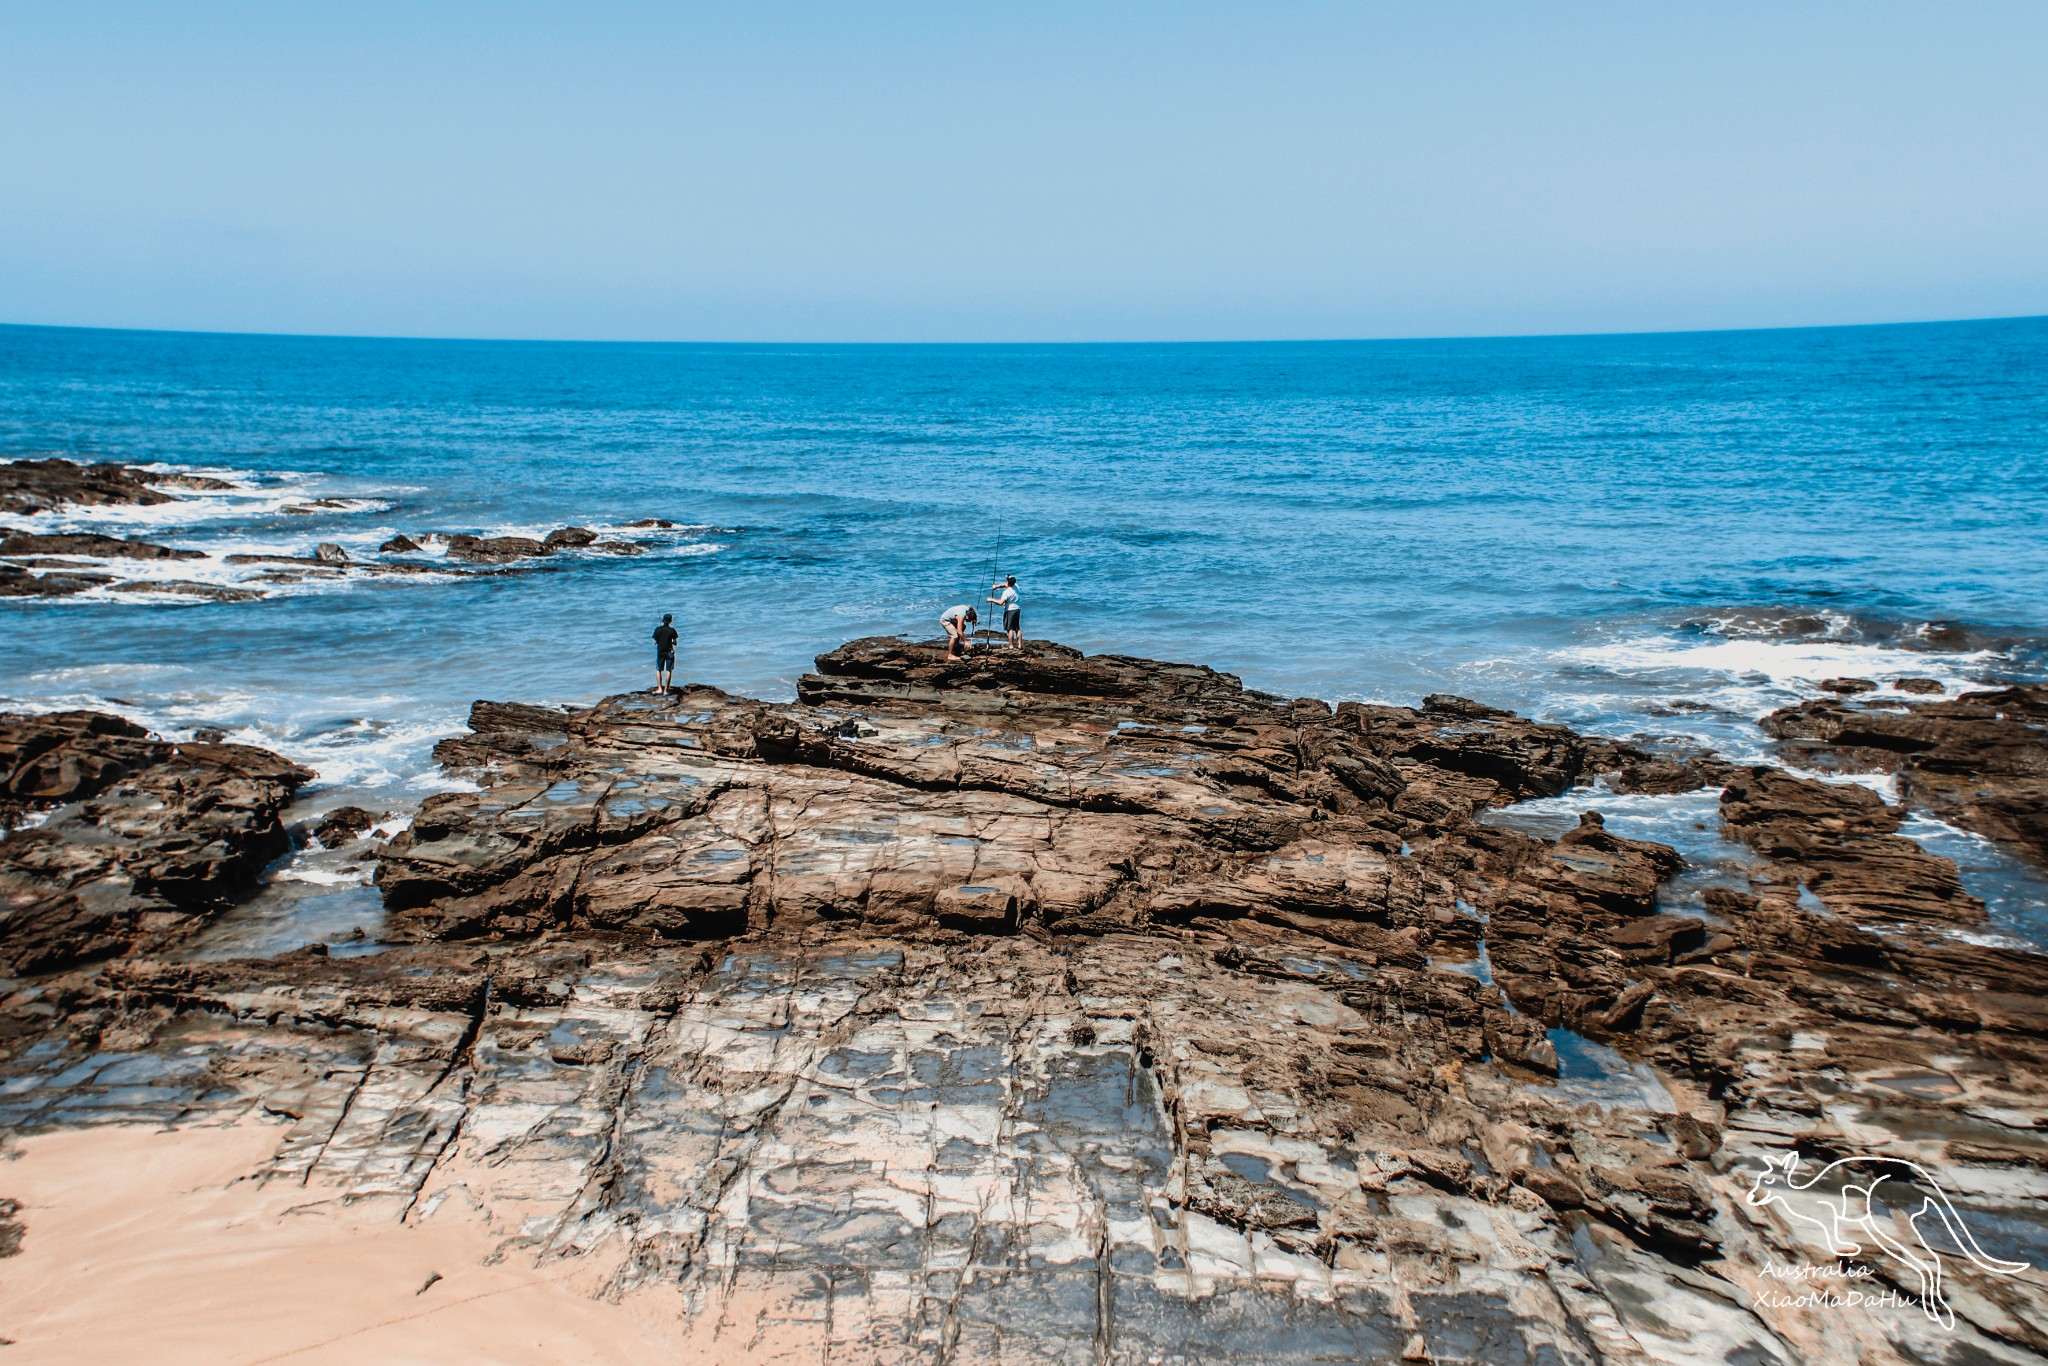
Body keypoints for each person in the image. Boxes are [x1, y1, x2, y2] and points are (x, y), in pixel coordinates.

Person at [986, 574, 1021, 650]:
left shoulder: (1006, 592)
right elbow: (1004, 584)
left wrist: (991, 600)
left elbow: (1000, 602)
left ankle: (1011, 646)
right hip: (1017, 609)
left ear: (1008, 583)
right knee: (1017, 628)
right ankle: (1019, 645)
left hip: (1009, 611)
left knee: (1010, 628)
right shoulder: (1016, 587)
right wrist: (997, 586)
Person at [652, 613, 679, 694]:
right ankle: (666, 691)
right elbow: (675, 643)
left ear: (663, 620)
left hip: (660, 651)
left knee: (658, 669)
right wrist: (671, 641)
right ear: (670, 621)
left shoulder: (657, 629)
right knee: (669, 670)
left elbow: (655, 642)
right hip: (669, 652)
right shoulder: (673, 630)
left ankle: (660, 688)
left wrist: (659, 640)